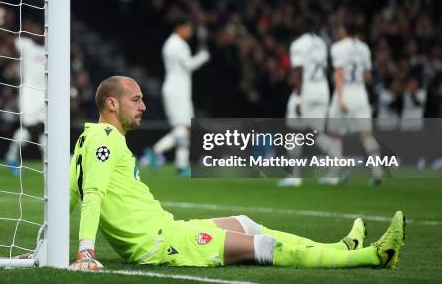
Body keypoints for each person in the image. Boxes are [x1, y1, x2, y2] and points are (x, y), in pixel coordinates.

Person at [68, 76, 404, 270]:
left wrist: (44, 245)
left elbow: (70, 192)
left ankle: (341, 247)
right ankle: (372, 256)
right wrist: (86, 251)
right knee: (265, 246)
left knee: (245, 222)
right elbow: (91, 196)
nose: (143, 107)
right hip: (161, 244)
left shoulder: (88, 138)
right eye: (136, 99)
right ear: (112, 104)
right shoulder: (107, 140)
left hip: (169, 228)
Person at [144, 17, 209, 175]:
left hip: (176, 88)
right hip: (178, 90)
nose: (190, 32)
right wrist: (203, 56)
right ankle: (156, 150)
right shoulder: (180, 45)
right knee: (185, 128)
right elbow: (189, 65)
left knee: (185, 128)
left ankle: (181, 166)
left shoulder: (169, 43)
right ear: (179, 28)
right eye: (188, 28)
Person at [280, 15, 336, 187]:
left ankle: (294, 176)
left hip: (306, 91)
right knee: (317, 133)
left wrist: (298, 97)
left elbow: (298, 71)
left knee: (293, 132)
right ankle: (335, 170)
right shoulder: (322, 43)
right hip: (322, 90)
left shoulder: (298, 44)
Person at [325, 22, 383, 186]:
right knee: (366, 134)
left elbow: (339, 73)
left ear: (343, 30)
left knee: (335, 135)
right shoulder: (365, 48)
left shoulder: (338, 47)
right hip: (360, 94)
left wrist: (341, 98)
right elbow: (368, 77)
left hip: (345, 93)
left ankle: (335, 174)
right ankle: (377, 169)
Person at [5, 19, 46, 175]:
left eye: (40, 30)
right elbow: (8, 40)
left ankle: (47, 161)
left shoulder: (51, 49)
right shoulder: (26, 45)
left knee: (44, 128)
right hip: (29, 93)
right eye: (34, 31)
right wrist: (1, 22)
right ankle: (12, 156)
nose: (37, 33)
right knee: (29, 128)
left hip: (45, 94)